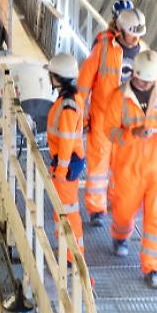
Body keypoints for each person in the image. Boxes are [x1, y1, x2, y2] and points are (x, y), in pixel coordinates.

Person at [105, 48, 157, 289]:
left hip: (156, 168)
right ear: (133, 75)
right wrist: (132, 133)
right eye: (140, 79)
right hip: (128, 168)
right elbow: (110, 130)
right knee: (124, 212)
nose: (144, 84)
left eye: (149, 81)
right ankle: (120, 235)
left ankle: (154, 268)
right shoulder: (119, 97)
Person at [77, 8, 147, 225]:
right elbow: (83, 84)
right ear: (120, 31)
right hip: (102, 118)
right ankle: (96, 209)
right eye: (132, 33)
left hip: (128, 120)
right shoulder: (104, 49)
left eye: (138, 34)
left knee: (124, 165)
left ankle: (117, 203)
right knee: (98, 164)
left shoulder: (144, 53)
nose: (136, 38)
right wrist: (83, 117)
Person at [44, 52, 87, 257]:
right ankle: (66, 251)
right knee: (63, 211)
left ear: (56, 78)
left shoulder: (67, 105)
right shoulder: (72, 99)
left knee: (67, 212)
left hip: (65, 166)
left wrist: (60, 170)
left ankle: (72, 256)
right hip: (67, 164)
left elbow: (67, 140)